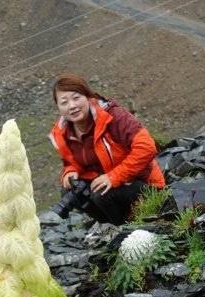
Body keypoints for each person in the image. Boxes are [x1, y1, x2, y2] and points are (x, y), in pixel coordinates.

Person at [48, 73, 166, 225]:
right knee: (70, 193)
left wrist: (113, 177)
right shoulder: (63, 132)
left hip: (145, 185)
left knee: (101, 193)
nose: (72, 106)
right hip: (107, 189)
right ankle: (113, 226)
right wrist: (69, 172)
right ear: (58, 107)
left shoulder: (113, 116)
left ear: (88, 97)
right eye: (64, 102)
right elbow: (72, 163)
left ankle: (131, 228)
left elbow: (147, 148)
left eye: (76, 98)